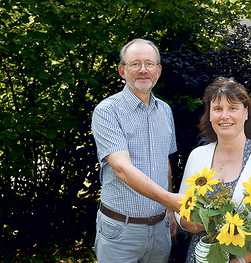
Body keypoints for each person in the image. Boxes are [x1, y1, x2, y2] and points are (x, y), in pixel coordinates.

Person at [175, 77, 251, 263]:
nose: (225, 116)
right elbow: (180, 207)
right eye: (217, 109)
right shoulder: (197, 156)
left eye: (233, 108)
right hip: (205, 256)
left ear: (246, 113)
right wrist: (192, 224)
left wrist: (239, 260)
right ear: (209, 115)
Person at [91, 38, 182, 263]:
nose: (143, 70)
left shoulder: (165, 111)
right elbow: (122, 168)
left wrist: (169, 212)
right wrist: (172, 200)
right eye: (135, 64)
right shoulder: (107, 111)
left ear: (158, 71)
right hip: (120, 232)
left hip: (160, 230)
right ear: (122, 70)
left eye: (149, 64)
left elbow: (165, 163)